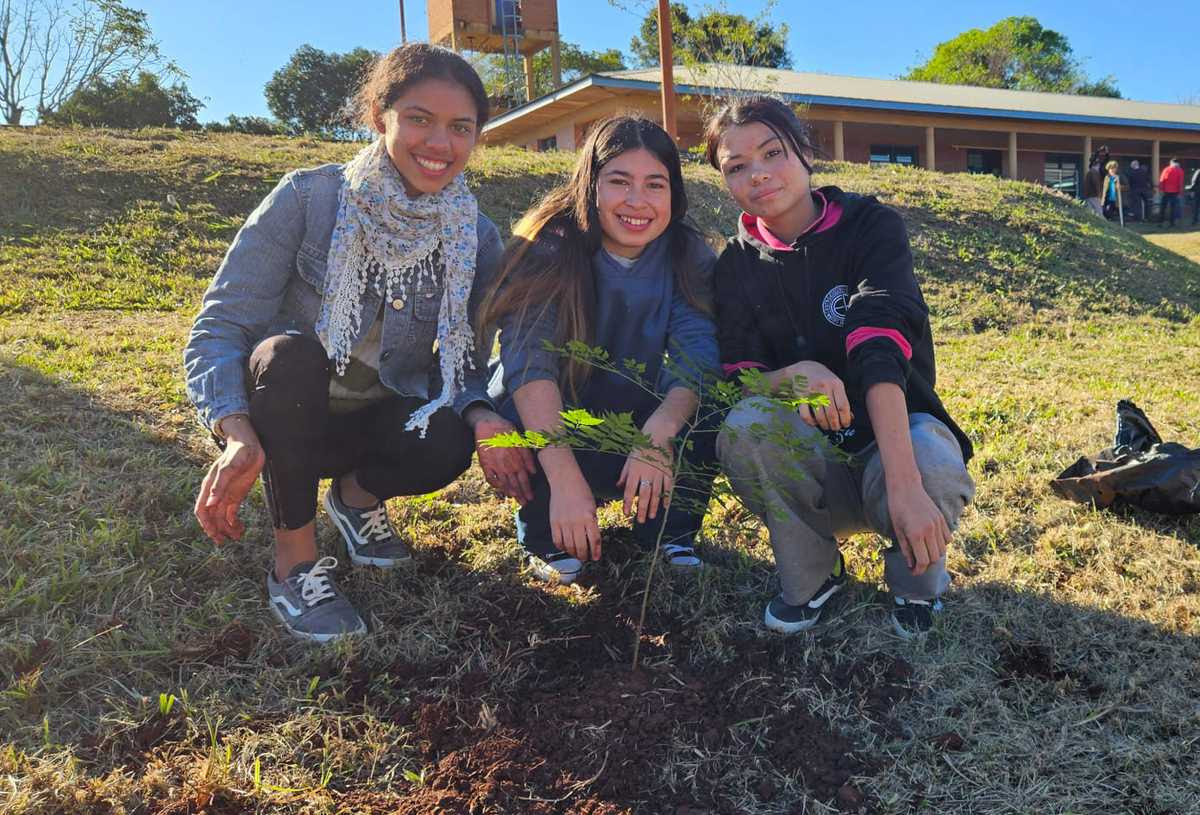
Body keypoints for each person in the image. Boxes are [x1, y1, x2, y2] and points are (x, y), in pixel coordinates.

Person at [183, 44, 520, 643]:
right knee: (287, 356)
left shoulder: (475, 236)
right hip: (287, 416)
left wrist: (484, 414)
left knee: (446, 436)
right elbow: (222, 325)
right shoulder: (309, 199)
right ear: (379, 115)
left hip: (372, 418)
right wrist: (233, 430)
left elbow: (463, 364)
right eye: (419, 118)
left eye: (460, 127)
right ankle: (296, 563)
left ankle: (356, 499)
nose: (439, 144)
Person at [702, 96, 974, 639]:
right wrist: (793, 377)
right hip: (813, 463)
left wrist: (904, 485)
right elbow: (738, 378)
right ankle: (813, 575)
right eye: (736, 167)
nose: (758, 174)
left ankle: (915, 582)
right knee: (746, 426)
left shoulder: (871, 227)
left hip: (891, 448)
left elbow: (879, 350)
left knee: (933, 463)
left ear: (804, 151)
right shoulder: (733, 264)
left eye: (772, 152)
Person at [477, 115, 721, 585]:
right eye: (619, 182)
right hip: (557, 413)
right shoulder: (548, 247)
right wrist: (566, 481)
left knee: (707, 403)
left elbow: (697, 357)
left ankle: (670, 530)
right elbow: (530, 365)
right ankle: (545, 532)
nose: (637, 201)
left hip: (635, 417)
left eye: (655, 184)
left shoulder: (687, 255)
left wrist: (657, 438)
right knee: (522, 409)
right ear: (590, 185)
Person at [1159, 158, 1184, 228]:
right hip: (1175, 192)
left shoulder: (1166, 169)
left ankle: (1161, 221)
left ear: (1171, 163)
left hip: (1166, 191)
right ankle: (1172, 222)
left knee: (1163, 207)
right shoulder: (1180, 170)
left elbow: (1162, 179)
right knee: (1173, 208)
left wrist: (1161, 189)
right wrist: (1180, 191)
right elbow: (1180, 182)